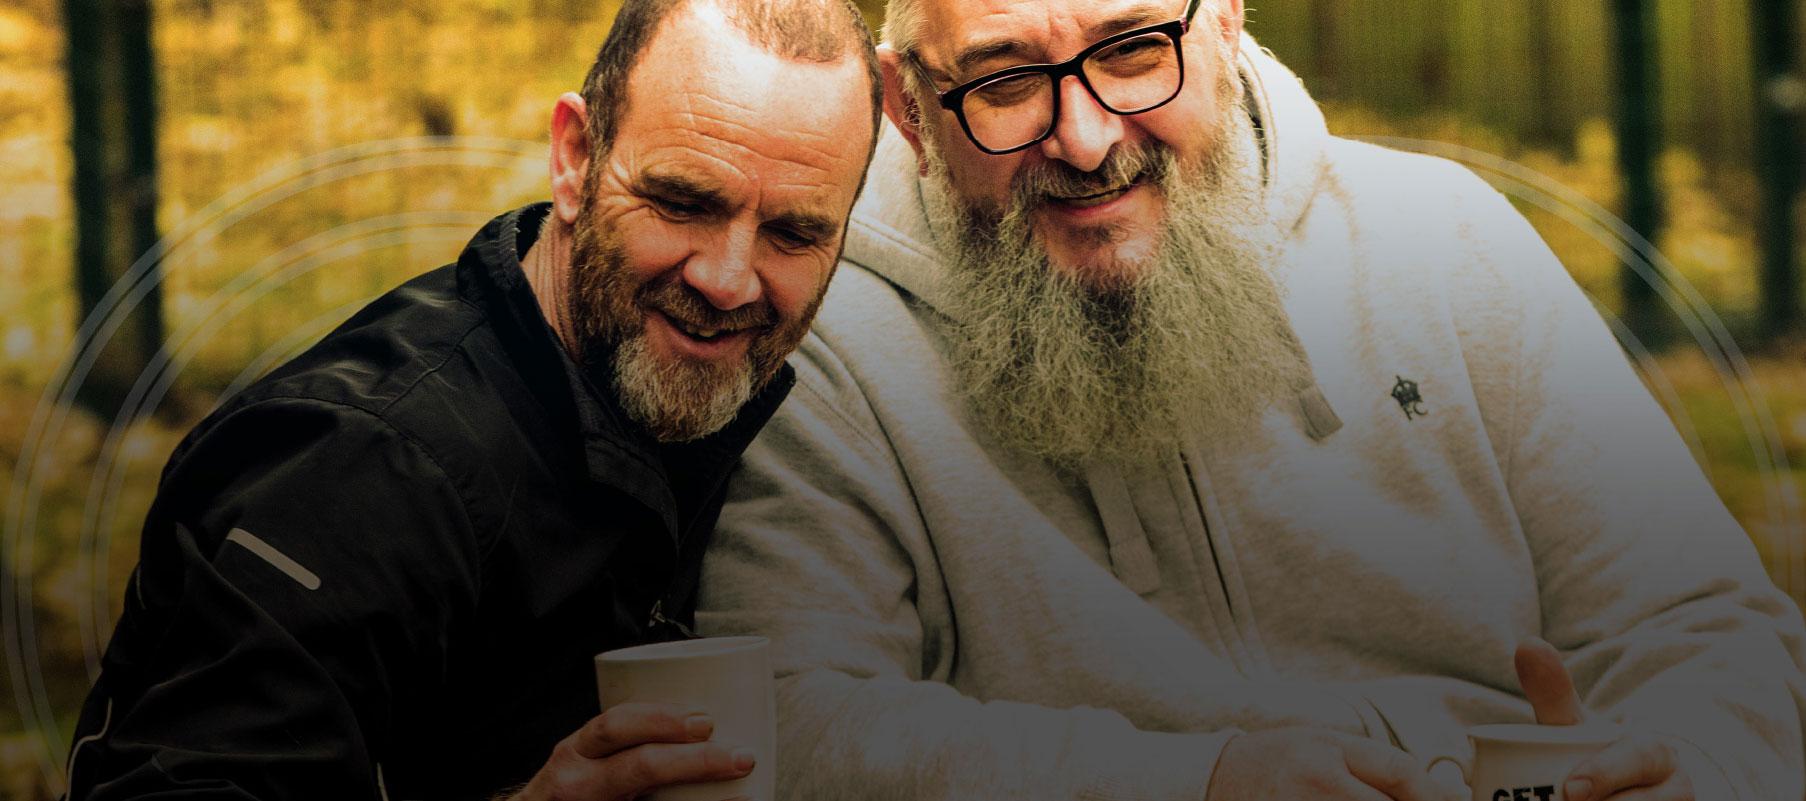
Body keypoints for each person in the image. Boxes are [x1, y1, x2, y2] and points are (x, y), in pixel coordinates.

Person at [694, 0, 1806, 799]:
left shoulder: (1448, 241)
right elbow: (792, 720)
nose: (1084, 140)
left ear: (1223, 20)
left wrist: (1695, 763)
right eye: (1005, 81)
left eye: (1131, 51)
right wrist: (1197, 781)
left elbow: (1706, 630)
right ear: (907, 106)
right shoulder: (827, 340)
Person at [63, 0, 880, 798]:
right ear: (574, 158)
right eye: (683, 202)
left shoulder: (740, 408)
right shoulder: (358, 469)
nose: (729, 278)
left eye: (795, 233)